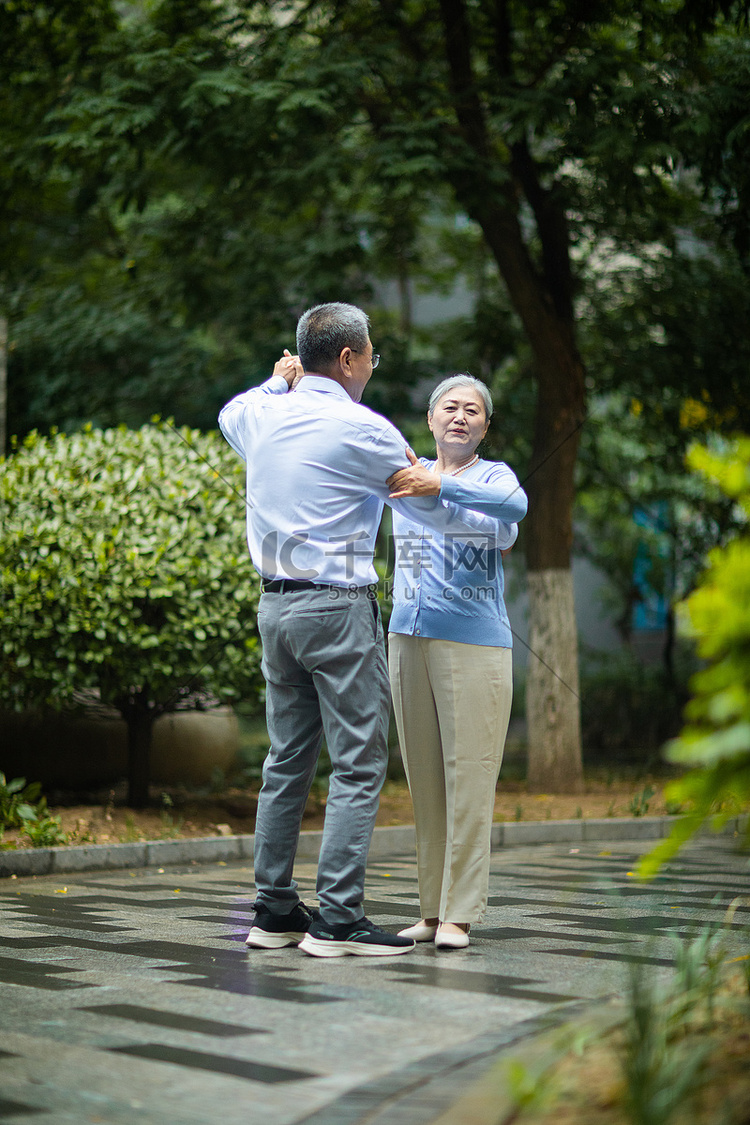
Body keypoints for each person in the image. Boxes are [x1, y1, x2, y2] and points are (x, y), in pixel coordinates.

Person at [218, 304, 512, 958]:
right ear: (349, 358)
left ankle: (272, 910)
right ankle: (339, 918)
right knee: (357, 759)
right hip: (335, 607)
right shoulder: (365, 427)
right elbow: (425, 490)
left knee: (286, 758)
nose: (373, 364)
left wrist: (277, 381)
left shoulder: (258, 413)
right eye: (371, 353)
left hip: (275, 610)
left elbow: (229, 412)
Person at [385, 374, 527, 950]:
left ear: (485, 427)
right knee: (425, 780)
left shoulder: (494, 478)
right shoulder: (406, 472)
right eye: (450, 407)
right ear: (430, 419)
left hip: (474, 644)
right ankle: (430, 908)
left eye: (472, 411)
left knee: (469, 777)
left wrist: (437, 486)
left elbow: (513, 510)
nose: (460, 417)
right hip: (406, 638)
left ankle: (460, 913)